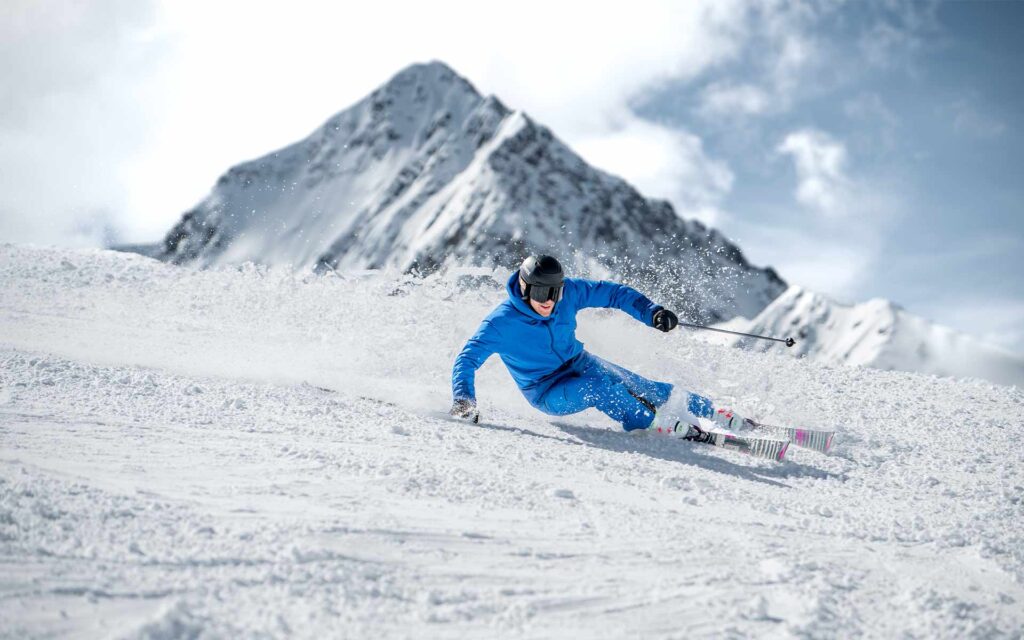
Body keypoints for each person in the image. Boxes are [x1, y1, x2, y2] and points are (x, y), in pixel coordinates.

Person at [450, 255, 746, 437]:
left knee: (645, 386)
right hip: (546, 390)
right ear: (525, 287)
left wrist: (652, 312)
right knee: (599, 388)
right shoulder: (502, 323)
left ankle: (716, 412)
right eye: (541, 291)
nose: (549, 300)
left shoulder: (568, 294)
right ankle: (656, 424)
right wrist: (464, 400)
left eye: (554, 291)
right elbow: (467, 359)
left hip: (580, 362)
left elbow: (614, 293)